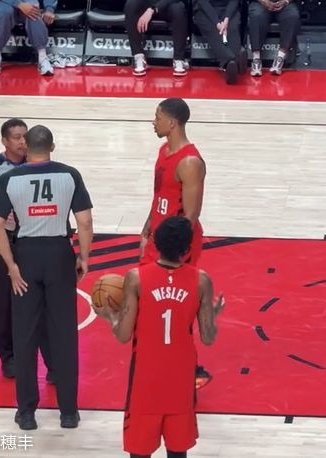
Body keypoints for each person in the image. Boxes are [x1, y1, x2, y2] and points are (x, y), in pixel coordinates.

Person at [93, 216, 224, 458]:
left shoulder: (136, 278)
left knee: (139, 452)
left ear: (156, 243)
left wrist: (111, 316)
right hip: (181, 379)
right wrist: (212, 315)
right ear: (188, 248)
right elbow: (208, 338)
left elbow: (123, 335)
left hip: (146, 380)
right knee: (178, 452)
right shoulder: (202, 281)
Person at [0, 125, 93, 430]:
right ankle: (69, 412)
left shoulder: (10, 179)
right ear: (52, 146)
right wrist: (83, 257)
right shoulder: (70, 175)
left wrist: (11, 265)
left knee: (24, 335)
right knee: (64, 334)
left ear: (26, 147)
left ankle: (26, 413)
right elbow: (85, 222)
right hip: (59, 254)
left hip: (26, 256)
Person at [0, 118, 53, 381]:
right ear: (4, 141)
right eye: (16, 137)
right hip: (6, 239)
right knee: (4, 301)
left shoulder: (39, 162)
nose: (22, 142)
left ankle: (51, 359)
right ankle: (9, 357)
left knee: (42, 300)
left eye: (24, 136)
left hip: (37, 237)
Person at [140, 98, 212, 389]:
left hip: (177, 246)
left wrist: (172, 255)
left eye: (157, 117)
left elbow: (190, 217)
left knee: (176, 306)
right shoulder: (163, 150)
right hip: (157, 238)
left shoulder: (190, 162)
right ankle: (161, 361)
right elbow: (160, 195)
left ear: (172, 123)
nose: (153, 122)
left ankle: (191, 369)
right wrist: (147, 226)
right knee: (150, 305)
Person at [0, 0, 56, 76]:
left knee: (33, 11)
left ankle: (42, 57)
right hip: (6, 2)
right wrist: (19, 4)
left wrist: (49, 9)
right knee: (4, 12)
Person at [124, 0, 189, 76]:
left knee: (178, 8)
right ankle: (138, 56)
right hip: (146, 4)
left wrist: (153, 9)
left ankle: (179, 59)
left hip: (166, 5)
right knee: (131, 4)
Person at [192, 0, 247, 84]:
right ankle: (230, 61)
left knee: (232, 26)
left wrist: (227, 18)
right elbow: (202, 2)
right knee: (214, 30)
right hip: (205, 11)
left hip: (227, 9)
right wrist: (217, 23)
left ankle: (235, 59)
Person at [248, 0, 300, 76]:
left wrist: (286, 1)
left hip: (284, 4)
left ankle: (280, 57)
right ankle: (256, 59)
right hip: (260, 3)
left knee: (292, 15)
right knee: (257, 15)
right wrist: (263, 1)